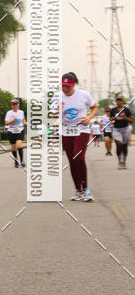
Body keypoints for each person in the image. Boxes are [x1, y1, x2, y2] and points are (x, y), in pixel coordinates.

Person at [57, 72, 97, 201]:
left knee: (78, 157)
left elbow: (94, 107)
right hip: (66, 131)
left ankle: (86, 189)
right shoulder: (58, 97)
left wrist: (89, 117)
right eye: (63, 86)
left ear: (74, 84)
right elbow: (52, 115)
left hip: (82, 129)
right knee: (72, 160)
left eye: (68, 86)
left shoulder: (83, 95)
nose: (66, 89)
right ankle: (78, 190)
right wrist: (57, 110)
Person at [110, 95, 133, 169]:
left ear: (123, 101)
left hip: (125, 129)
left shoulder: (127, 110)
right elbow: (110, 119)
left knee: (124, 146)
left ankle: (124, 162)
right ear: (116, 102)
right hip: (116, 129)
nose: (119, 101)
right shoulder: (113, 110)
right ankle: (120, 161)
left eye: (120, 100)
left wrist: (124, 117)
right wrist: (114, 118)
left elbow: (131, 120)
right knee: (119, 144)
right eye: (117, 100)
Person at [4, 98, 26, 168]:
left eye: (16, 104)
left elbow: (24, 121)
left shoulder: (21, 112)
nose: (15, 106)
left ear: (18, 105)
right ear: (11, 106)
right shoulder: (9, 113)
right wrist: (13, 120)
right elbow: (6, 123)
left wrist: (29, 124)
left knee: (19, 145)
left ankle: (22, 161)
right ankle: (16, 161)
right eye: (13, 104)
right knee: (13, 148)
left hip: (20, 130)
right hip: (11, 131)